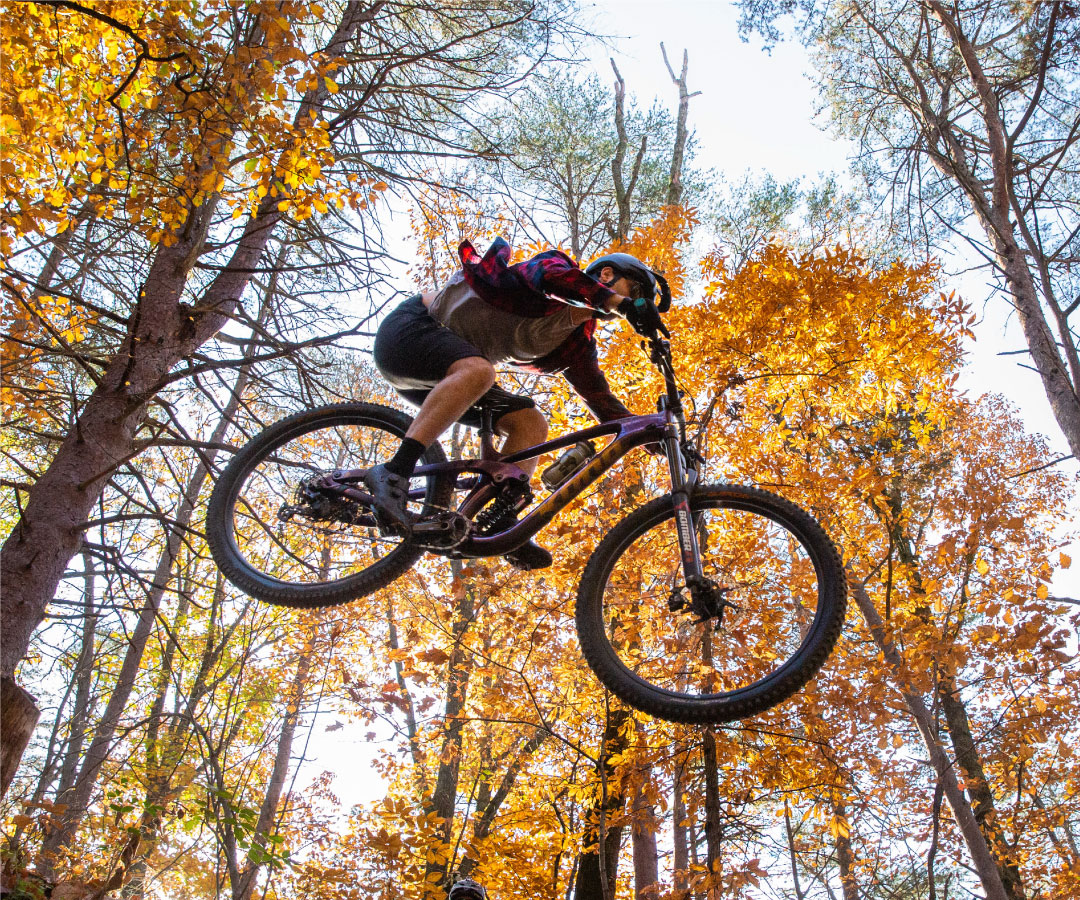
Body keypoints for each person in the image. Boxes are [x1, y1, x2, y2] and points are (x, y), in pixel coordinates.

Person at [366, 236, 669, 570]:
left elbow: (602, 402)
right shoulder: (557, 271)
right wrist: (620, 303)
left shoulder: (575, 344)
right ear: (608, 274)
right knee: (481, 372)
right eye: (638, 293)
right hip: (410, 333)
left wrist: (654, 437)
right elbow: (549, 277)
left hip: (445, 379)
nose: (638, 304)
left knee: (530, 423)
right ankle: (394, 473)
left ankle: (501, 517)